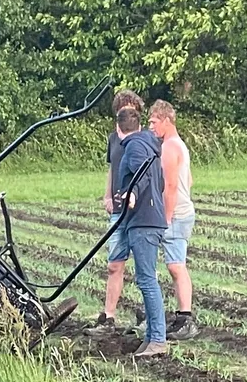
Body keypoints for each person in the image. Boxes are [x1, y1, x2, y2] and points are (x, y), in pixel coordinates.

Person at [84, 90, 145, 337]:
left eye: (131, 107)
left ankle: (146, 316)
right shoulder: (113, 139)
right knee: (114, 265)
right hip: (117, 211)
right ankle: (108, 317)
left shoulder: (147, 140)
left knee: (144, 267)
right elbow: (112, 169)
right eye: (123, 107)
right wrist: (108, 195)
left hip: (139, 211)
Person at [114, 106, 169, 357]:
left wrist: (132, 193)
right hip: (150, 218)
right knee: (146, 279)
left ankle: (158, 339)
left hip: (144, 222)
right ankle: (150, 338)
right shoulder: (149, 146)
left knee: (147, 281)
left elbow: (142, 175)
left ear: (118, 129)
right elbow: (160, 182)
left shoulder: (135, 147)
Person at [147, 99, 199, 340]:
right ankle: (180, 316)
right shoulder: (179, 145)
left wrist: (165, 218)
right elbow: (189, 181)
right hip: (182, 211)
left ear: (166, 120)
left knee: (176, 266)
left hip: (176, 215)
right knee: (174, 265)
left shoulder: (169, 147)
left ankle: (185, 319)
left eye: (154, 122)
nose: (151, 127)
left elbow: (169, 186)